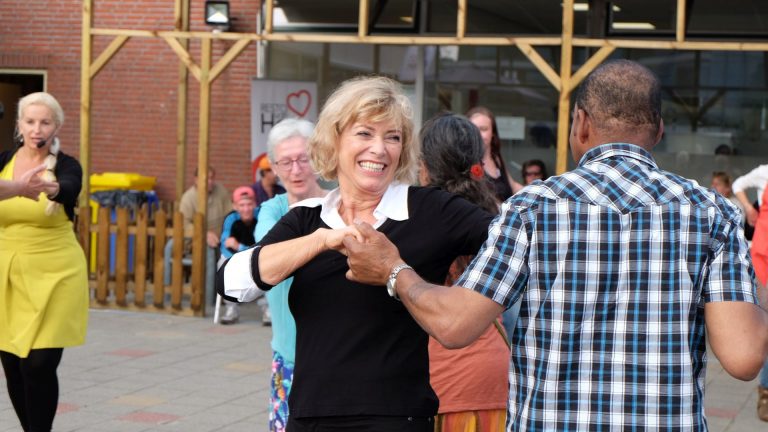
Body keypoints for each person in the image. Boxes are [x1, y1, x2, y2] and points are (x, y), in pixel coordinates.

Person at [344, 60, 768, 431]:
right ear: (658, 130)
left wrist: (394, 270)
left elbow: (455, 326)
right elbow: (743, 357)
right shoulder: (712, 213)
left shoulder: (531, 208)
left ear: (580, 123)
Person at [217, 76, 494, 431]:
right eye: (365, 133)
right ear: (335, 141)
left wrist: (464, 301)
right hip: (310, 417)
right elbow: (231, 283)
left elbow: (515, 243)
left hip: (395, 419)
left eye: (392, 137)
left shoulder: (428, 209)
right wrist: (322, 240)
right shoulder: (307, 219)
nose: (379, 149)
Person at [0, 92, 88, 432]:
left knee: (39, 364)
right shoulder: (4, 160)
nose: (37, 129)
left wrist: (48, 190)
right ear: (19, 125)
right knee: (12, 365)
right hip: (7, 273)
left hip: (56, 273)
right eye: (31, 121)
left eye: (45, 122)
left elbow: (69, 188)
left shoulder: (66, 165)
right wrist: (17, 187)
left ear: (56, 127)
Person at [418, 113, 509, 432]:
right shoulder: (496, 217)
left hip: (440, 385)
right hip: (498, 381)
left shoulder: (414, 221)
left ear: (424, 166)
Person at [250, 118, 327, 431]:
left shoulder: (340, 205)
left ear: (318, 159)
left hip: (334, 355)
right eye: (286, 162)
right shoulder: (271, 211)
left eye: (303, 159)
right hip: (289, 357)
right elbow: (268, 254)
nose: (296, 170)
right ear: (275, 168)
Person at [732, 165, 768, 422]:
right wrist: (748, 207)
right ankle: (766, 392)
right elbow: (738, 184)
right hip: (764, 258)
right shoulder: (765, 172)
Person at [176, 165, 230, 305]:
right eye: (206, 179)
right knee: (210, 251)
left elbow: (230, 214)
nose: (210, 181)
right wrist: (203, 234)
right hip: (195, 241)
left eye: (212, 178)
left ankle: (230, 294)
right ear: (195, 180)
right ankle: (210, 298)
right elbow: (184, 224)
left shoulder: (221, 191)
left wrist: (229, 234)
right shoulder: (188, 197)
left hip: (221, 237)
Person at [217, 186, 260, 325]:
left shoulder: (262, 216)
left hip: (259, 256)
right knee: (223, 263)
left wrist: (240, 247)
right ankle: (231, 309)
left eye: (249, 204)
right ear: (235, 206)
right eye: (242, 205)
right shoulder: (230, 219)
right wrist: (237, 258)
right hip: (235, 256)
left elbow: (265, 245)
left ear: (255, 204)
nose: (246, 209)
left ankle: (268, 310)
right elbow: (225, 244)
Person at [466, 106, 523, 200]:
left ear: (493, 133)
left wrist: (536, 193)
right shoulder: (464, 162)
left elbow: (513, 187)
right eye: (473, 129)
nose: (478, 134)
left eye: (483, 129)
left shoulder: (496, 157)